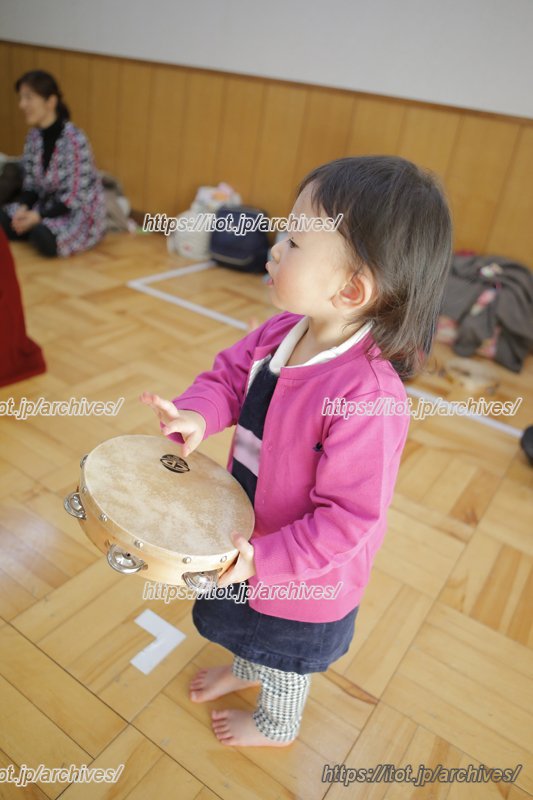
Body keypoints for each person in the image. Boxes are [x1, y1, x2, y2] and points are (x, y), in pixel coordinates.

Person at [140, 155, 453, 747]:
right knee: (245, 627)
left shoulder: (368, 398)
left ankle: (276, 724)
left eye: (293, 239)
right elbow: (230, 377)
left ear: (352, 288)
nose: (275, 246)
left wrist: (268, 561)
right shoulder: (282, 332)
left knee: (283, 653)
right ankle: (244, 665)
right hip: (248, 536)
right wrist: (197, 413)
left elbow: (349, 520)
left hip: (304, 578)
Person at [0, 70, 105, 257]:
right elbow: (31, 187)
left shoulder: (74, 140)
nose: (22, 105)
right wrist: (23, 209)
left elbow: (74, 198)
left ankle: (33, 229)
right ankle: (29, 227)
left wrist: (37, 217)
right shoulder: (33, 137)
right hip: (45, 205)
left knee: (45, 239)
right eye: (21, 98)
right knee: (6, 218)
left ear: (51, 102)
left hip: (74, 213)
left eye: (28, 98)